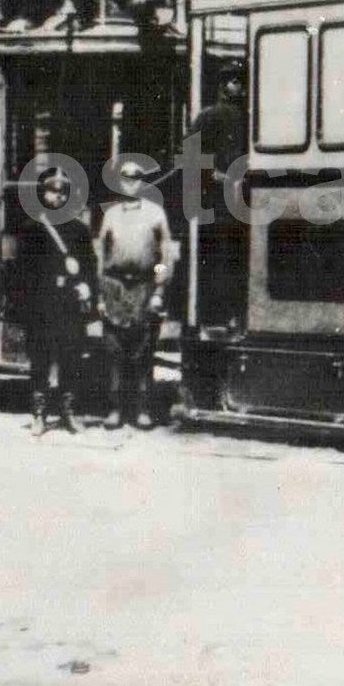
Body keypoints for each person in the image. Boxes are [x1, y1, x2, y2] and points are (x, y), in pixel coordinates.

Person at [12, 166, 98, 436]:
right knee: (40, 360)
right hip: (41, 308)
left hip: (69, 307)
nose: (58, 197)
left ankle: (67, 412)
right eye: (52, 191)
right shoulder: (32, 229)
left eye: (63, 192)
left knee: (70, 359)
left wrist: (88, 288)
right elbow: (20, 274)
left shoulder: (79, 231)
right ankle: (38, 413)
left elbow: (90, 267)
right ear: (43, 193)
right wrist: (23, 310)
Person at [95, 158, 174, 430]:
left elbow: (164, 254)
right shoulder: (111, 215)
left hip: (144, 288)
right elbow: (100, 256)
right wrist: (100, 296)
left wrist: (159, 290)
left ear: (143, 180)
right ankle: (115, 410)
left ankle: (142, 409)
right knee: (114, 353)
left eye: (136, 176)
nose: (131, 181)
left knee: (143, 353)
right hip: (115, 288)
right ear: (119, 181)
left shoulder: (156, 213)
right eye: (126, 177)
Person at [184, 64, 249, 330]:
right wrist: (219, 177)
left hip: (244, 202)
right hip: (215, 202)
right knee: (216, 260)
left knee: (239, 259)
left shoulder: (248, 118)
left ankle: (235, 315)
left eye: (242, 81)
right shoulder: (208, 117)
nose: (240, 86)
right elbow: (191, 157)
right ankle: (213, 318)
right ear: (223, 85)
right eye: (234, 81)